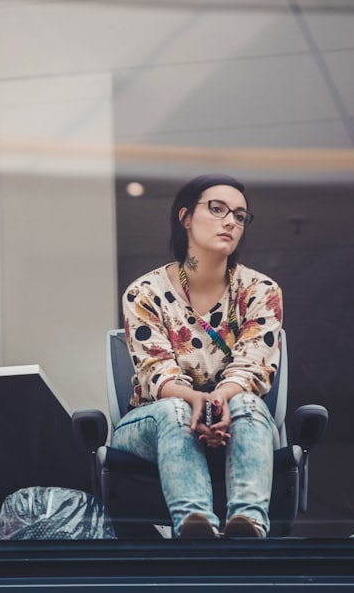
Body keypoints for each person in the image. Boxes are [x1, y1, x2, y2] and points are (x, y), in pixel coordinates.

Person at [110, 174, 282, 539]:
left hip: (233, 416)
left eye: (239, 215)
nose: (230, 221)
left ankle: (248, 527)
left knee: (248, 404)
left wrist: (219, 399)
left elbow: (254, 366)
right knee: (176, 410)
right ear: (186, 217)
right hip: (154, 422)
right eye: (217, 209)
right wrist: (194, 401)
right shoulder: (145, 292)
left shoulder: (260, 290)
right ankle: (194, 528)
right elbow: (158, 375)